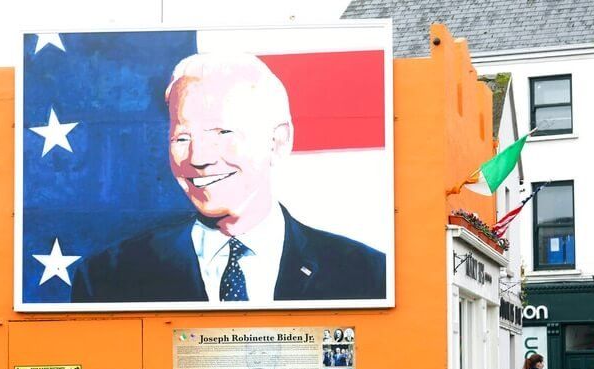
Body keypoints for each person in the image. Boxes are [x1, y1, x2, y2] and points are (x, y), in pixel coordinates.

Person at [71, 52, 386, 304]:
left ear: (278, 141)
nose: (198, 158)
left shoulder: (367, 274)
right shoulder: (108, 278)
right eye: (182, 138)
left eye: (222, 132)